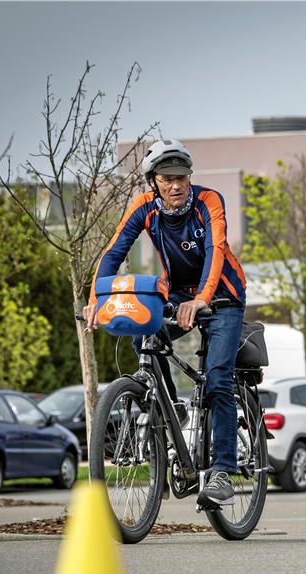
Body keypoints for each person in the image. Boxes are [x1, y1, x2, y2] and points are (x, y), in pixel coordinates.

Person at [83, 139, 248, 510]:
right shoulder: (144, 207)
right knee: (141, 329)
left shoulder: (209, 201)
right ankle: (173, 405)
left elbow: (215, 251)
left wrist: (202, 299)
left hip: (222, 297)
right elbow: (113, 253)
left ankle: (222, 471)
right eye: (167, 178)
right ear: (153, 181)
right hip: (177, 294)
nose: (176, 185)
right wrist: (97, 300)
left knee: (218, 379)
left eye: (182, 177)